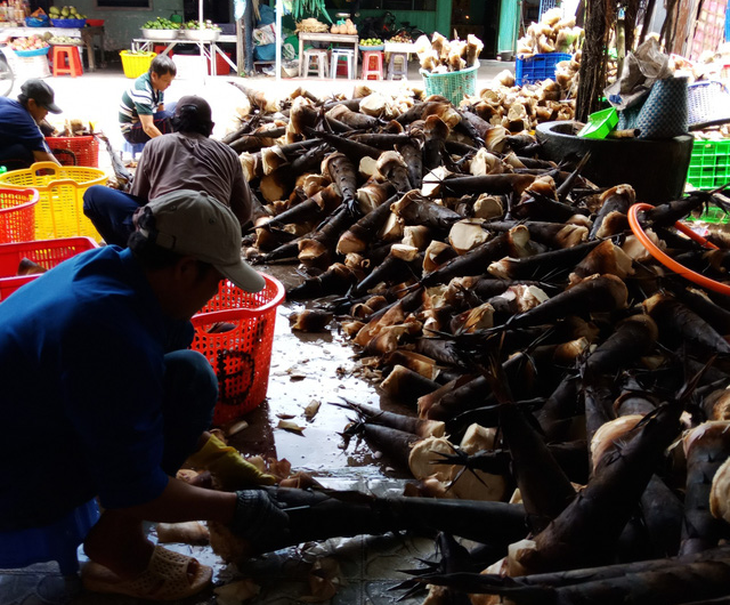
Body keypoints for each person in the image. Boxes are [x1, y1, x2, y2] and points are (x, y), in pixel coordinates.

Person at [0, 189, 288, 600]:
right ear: (186, 269)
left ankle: (117, 534)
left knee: (189, 375)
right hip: (10, 482)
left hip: (25, 428)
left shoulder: (104, 265)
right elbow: (134, 489)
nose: (216, 291)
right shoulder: (106, 331)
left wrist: (218, 457)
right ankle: (119, 545)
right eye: (219, 279)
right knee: (136, 476)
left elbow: (147, 390)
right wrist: (238, 507)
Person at [86, 95, 253, 246]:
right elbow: (244, 213)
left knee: (93, 195)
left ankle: (128, 256)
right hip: (211, 242)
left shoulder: (155, 145)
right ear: (211, 127)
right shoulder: (229, 154)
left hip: (160, 241)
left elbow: (139, 197)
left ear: (172, 122)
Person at [0, 78, 62, 170]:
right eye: (45, 108)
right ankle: (29, 183)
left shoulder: (5, 102)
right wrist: (68, 180)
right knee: (22, 152)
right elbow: (49, 163)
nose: (47, 113)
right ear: (31, 103)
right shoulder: (23, 119)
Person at [119, 54, 177, 144]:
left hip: (145, 119)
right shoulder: (142, 90)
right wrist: (167, 145)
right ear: (154, 75)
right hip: (131, 130)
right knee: (168, 118)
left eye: (170, 81)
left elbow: (161, 111)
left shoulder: (158, 86)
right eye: (166, 81)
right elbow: (148, 127)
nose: (169, 85)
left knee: (177, 107)